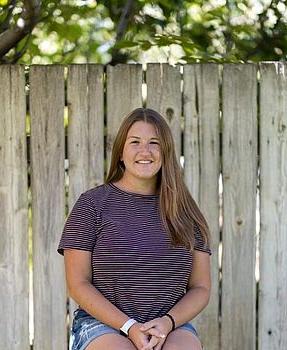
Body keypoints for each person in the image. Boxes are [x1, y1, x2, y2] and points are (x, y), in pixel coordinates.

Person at [58, 107, 212, 350]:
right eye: (135, 142)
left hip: (169, 325)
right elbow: (78, 283)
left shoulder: (187, 213)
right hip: (102, 325)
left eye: (154, 143)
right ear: (120, 152)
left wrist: (167, 323)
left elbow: (201, 288)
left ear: (166, 152)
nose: (145, 151)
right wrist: (129, 326)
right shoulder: (92, 205)